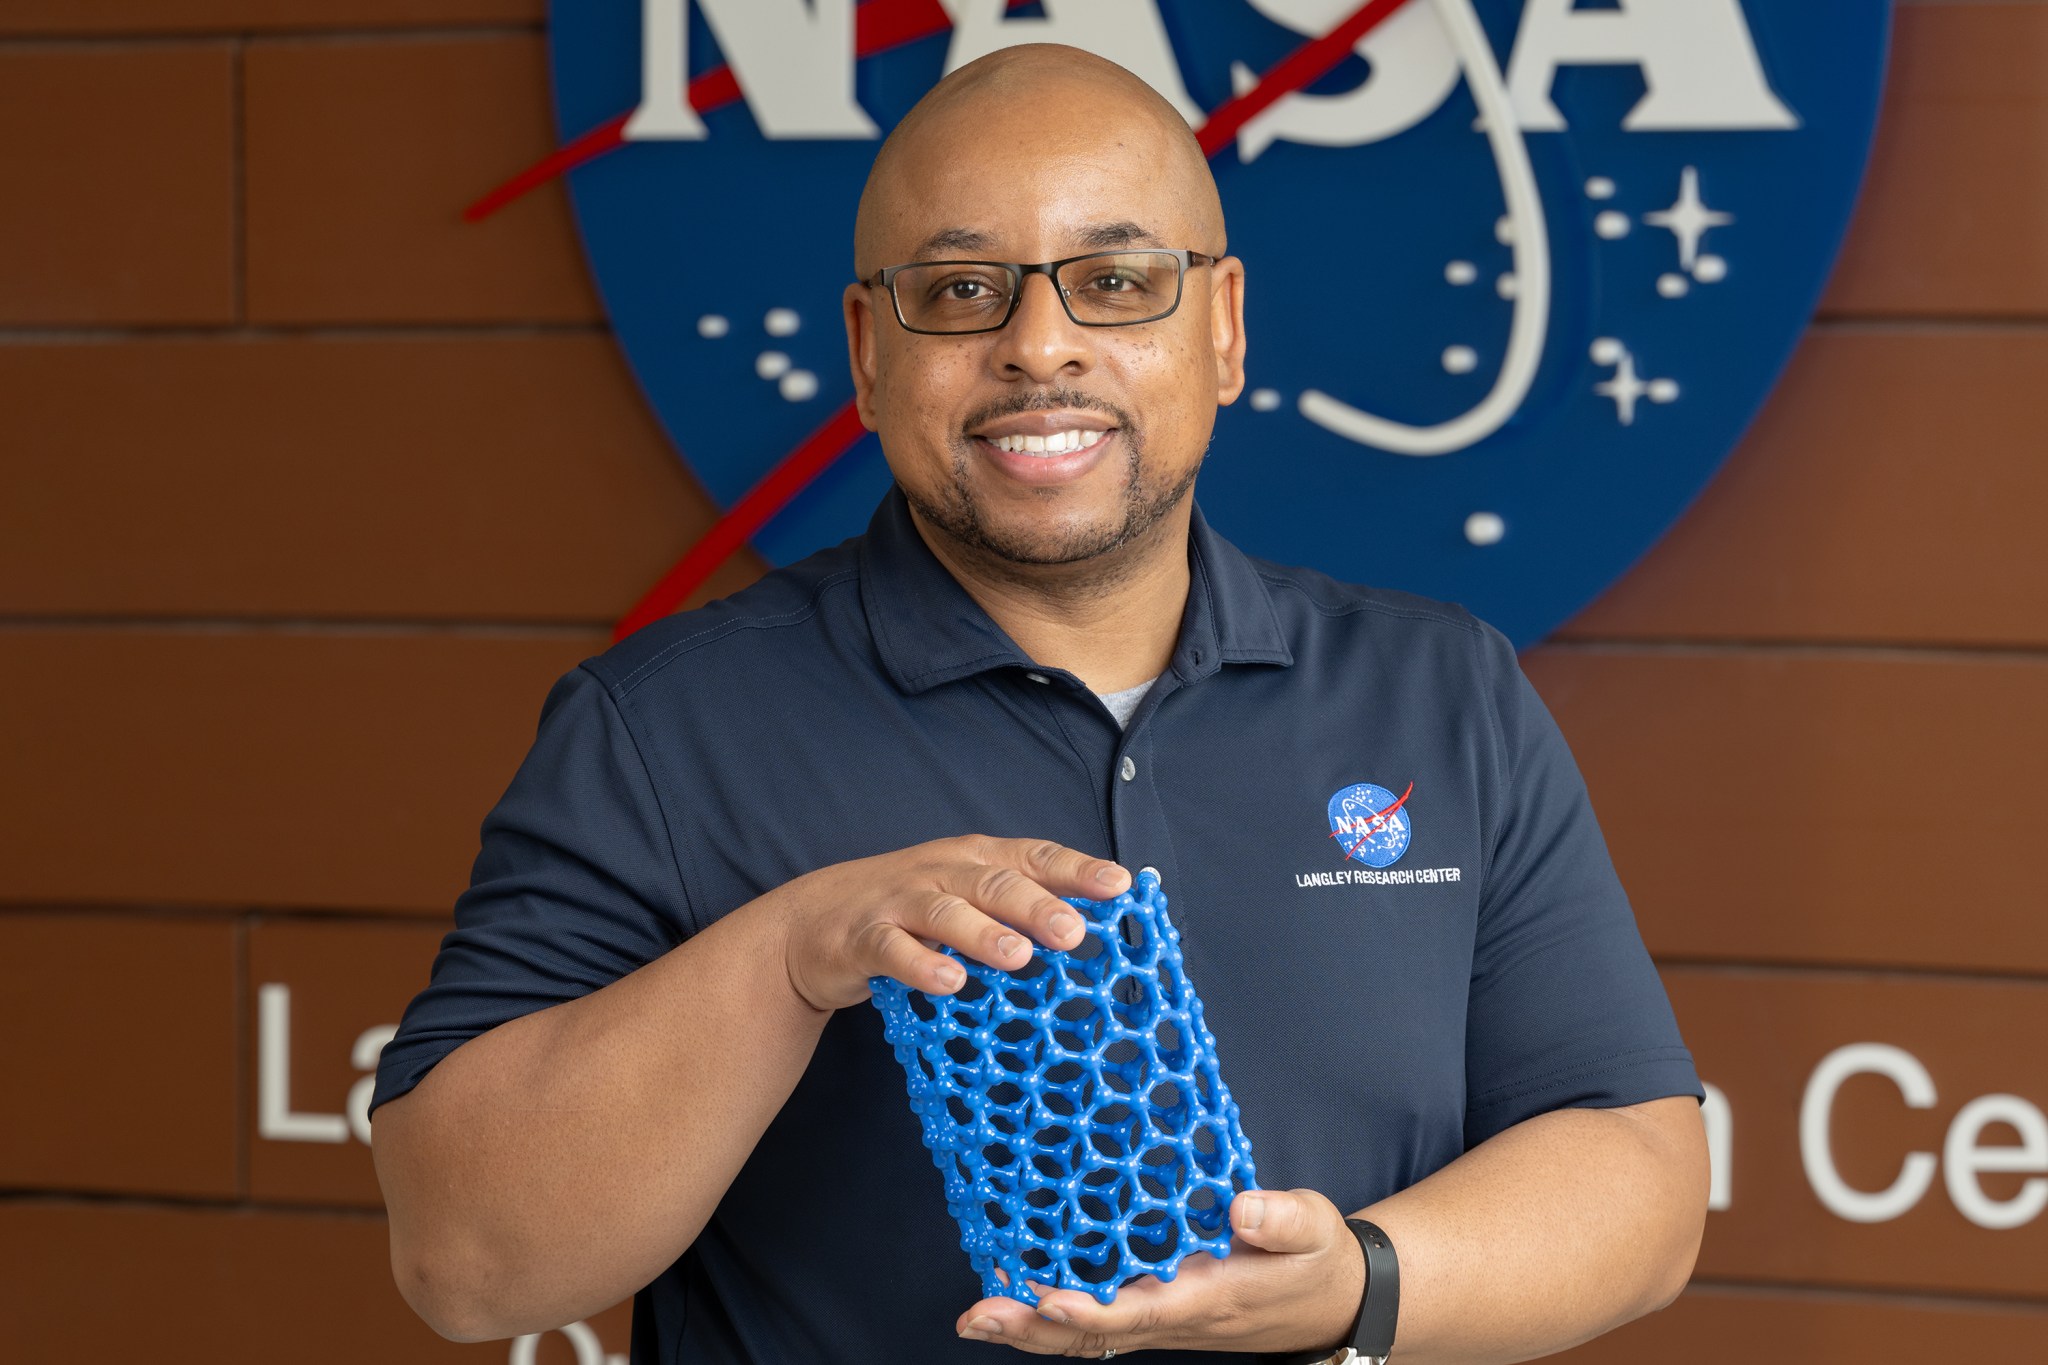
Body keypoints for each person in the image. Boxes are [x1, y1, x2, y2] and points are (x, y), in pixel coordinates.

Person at [370, 44, 1707, 1365]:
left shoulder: (1441, 693)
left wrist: (1350, 1285)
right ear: (868, 351)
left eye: (1117, 281)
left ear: (1223, 326)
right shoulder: (660, 730)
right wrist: (788, 953)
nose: (1040, 346)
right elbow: (467, 1259)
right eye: (960, 291)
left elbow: (1640, 1172)